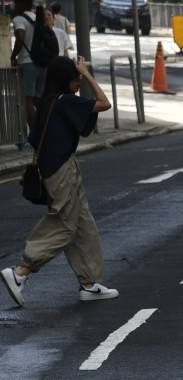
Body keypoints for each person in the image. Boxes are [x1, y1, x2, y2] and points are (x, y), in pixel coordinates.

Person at [2, 56, 118, 308]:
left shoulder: (48, 101)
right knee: (64, 223)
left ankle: (88, 284)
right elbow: (104, 103)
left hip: (60, 166)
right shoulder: (65, 101)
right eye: (74, 76)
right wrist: (87, 73)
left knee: (82, 223)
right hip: (61, 170)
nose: (77, 80)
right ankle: (20, 272)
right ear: (65, 79)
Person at [10, 0, 46, 143]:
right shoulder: (38, 17)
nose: (14, 6)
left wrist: (13, 56)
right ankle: (46, 129)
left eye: (16, 3)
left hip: (27, 63)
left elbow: (20, 37)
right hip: (42, 63)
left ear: (21, 4)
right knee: (38, 99)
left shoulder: (19, 19)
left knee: (27, 101)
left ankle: (36, 136)